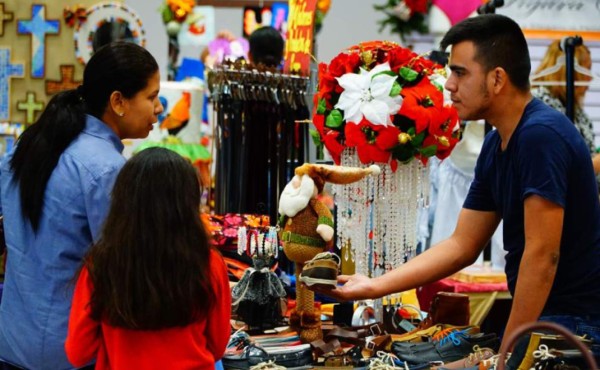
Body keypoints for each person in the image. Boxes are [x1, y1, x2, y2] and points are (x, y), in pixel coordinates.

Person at [315, 14, 600, 354]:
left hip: (575, 326)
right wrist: (373, 286)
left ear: (497, 79)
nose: (449, 84)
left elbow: (542, 258)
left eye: (460, 72)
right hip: (550, 320)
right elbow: (463, 244)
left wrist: (507, 352)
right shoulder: (498, 144)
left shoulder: (540, 136)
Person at [0, 41, 164, 370]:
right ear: (118, 101)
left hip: (13, 340)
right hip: (70, 351)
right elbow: (121, 269)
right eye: (151, 96)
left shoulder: (29, 146)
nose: (159, 108)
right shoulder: (105, 169)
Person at [65, 147, 231, 369]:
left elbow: (78, 353)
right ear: (187, 204)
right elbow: (218, 346)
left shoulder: (101, 265)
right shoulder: (209, 263)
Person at [531, 40, 600, 177]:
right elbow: (562, 172)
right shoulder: (541, 105)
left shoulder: (574, 108)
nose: (590, 78)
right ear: (570, 71)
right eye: (586, 70)